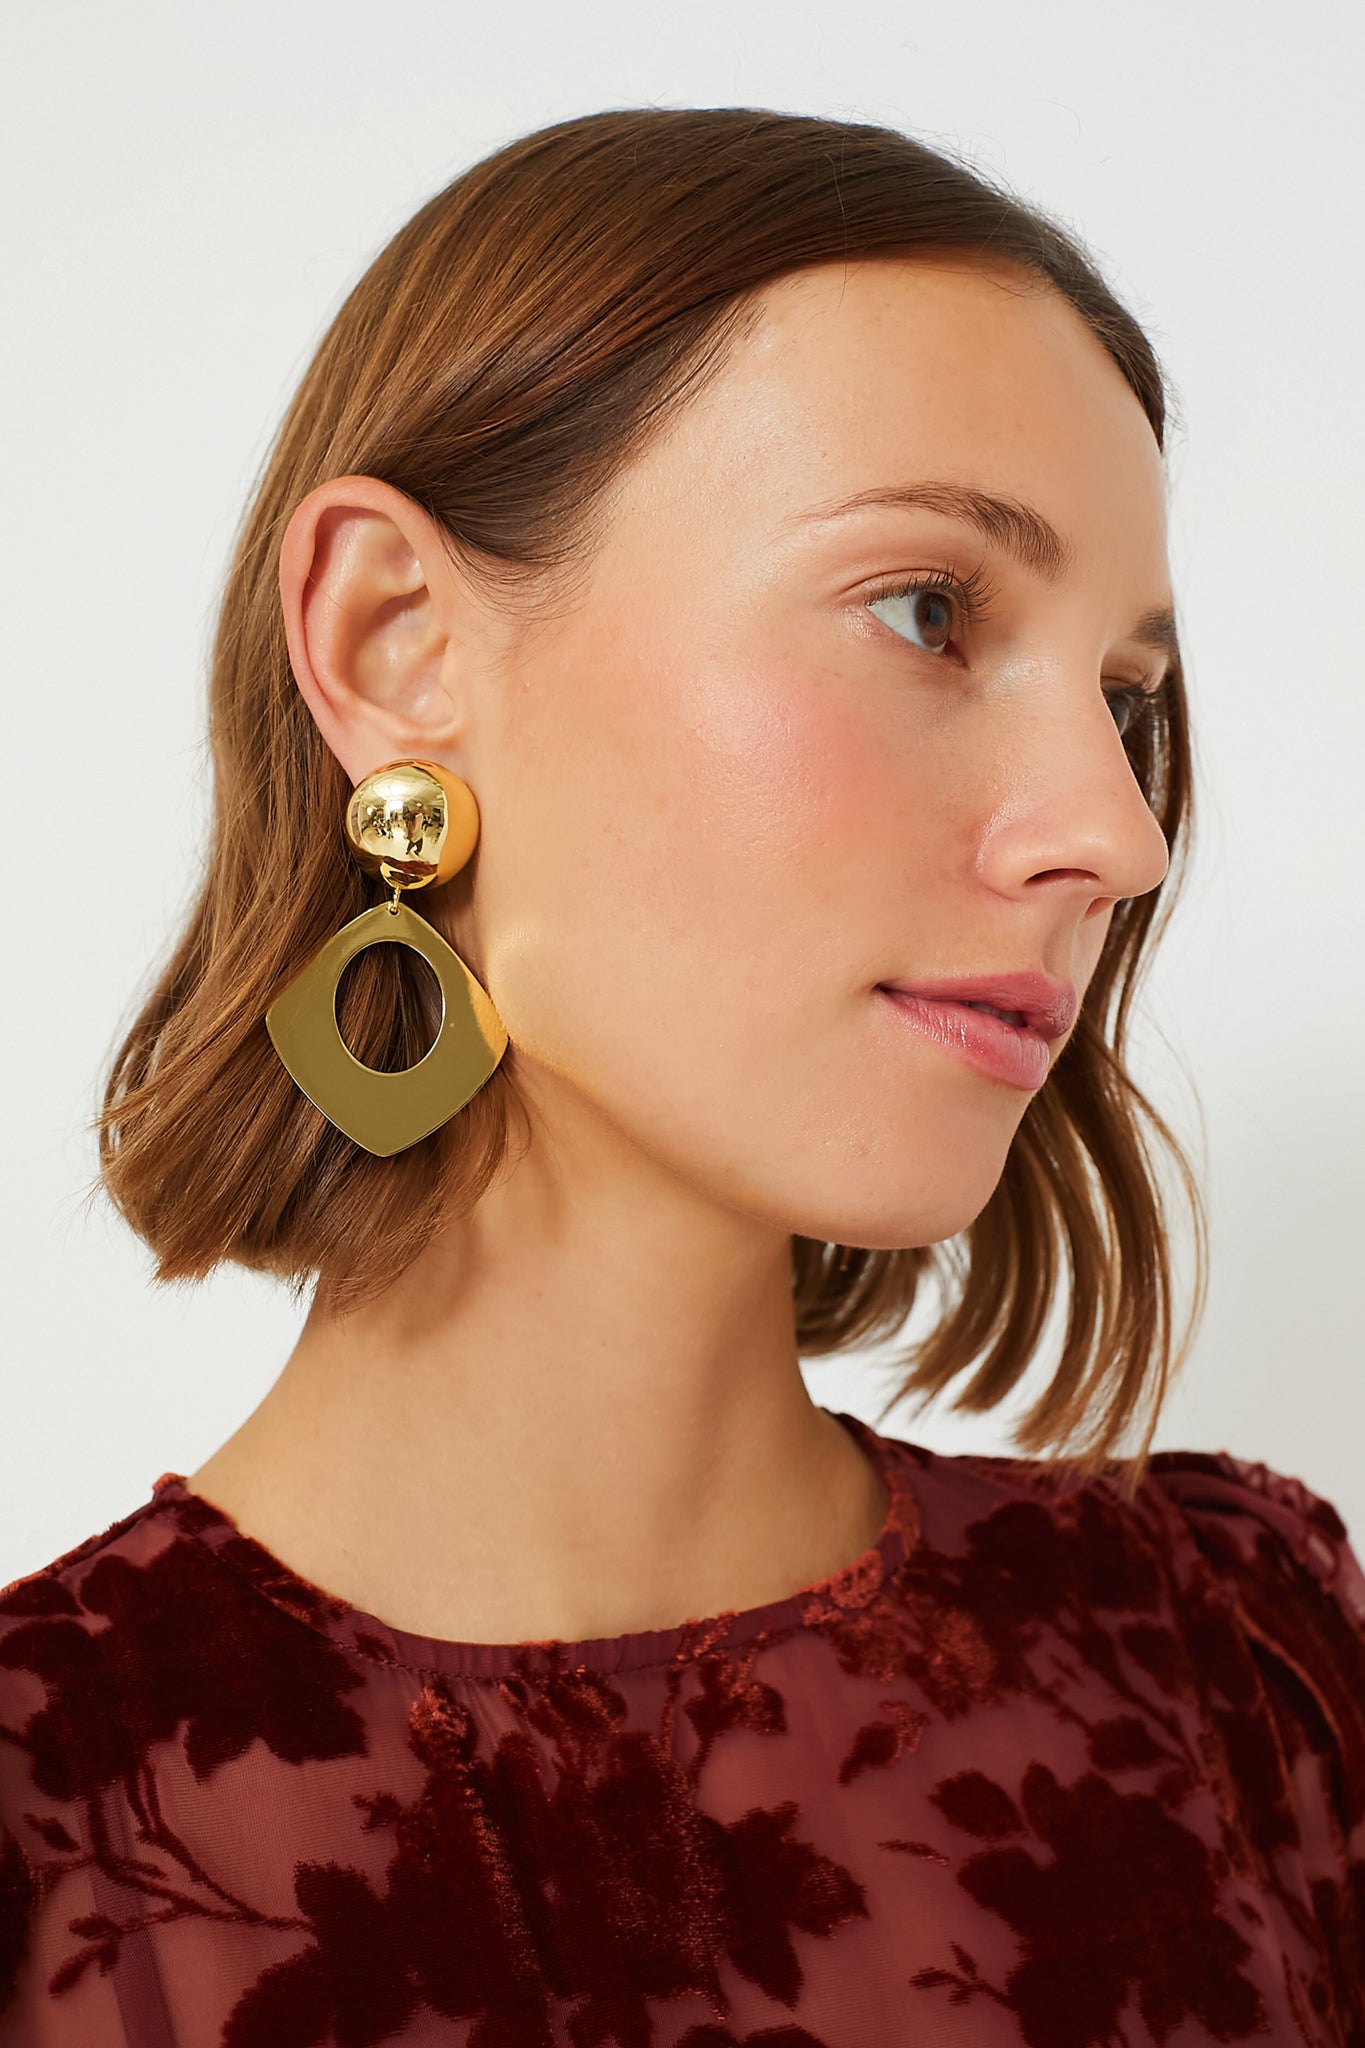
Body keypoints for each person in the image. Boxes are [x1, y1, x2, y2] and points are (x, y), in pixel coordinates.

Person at [1, 106, 1361, 2048]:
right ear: (394, 643)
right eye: (928, 612)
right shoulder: (43, 1827)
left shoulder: (1245, 1677)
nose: (1114, 835)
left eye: (1122, 697)